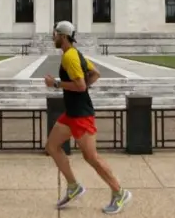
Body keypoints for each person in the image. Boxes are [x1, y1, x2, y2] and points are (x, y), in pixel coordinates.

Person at [43, 20, 132, 215]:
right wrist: (78, 91)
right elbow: (95, 73)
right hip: (71, 113)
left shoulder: (70, 58)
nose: (53, 37)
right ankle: (73, 186)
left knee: (92, 158)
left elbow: (82, 85)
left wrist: (56, 84)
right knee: (51, 146)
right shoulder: (74, 54)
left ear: (63, 37)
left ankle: (119, 192)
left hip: (81, 116)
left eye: (55, 34)